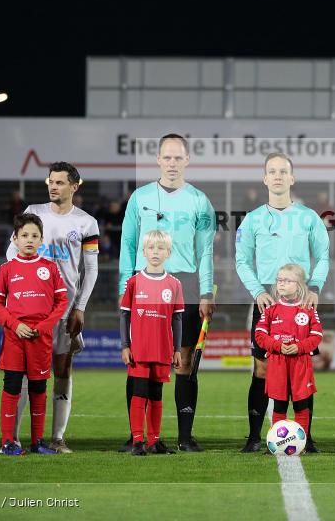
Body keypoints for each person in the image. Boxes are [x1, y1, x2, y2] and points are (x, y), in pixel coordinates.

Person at [119, 134, 215, 452]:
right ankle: (135, 436)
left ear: (187, 160)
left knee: (184, 360)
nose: (172, 163)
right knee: (139, 359)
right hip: (143, 283)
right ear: (158, 160)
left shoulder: (200, 201)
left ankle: (185, 437)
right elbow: (128, 244)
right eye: (167, 157)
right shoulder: (139, 197)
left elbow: (206, 251)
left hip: (183, 283)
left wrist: (205, 292)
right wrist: (124, 285)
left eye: (178, 158)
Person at [236, 152, 329, 453]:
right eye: (272, 171)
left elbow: (324, 256)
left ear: (292, 178)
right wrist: (257, 291)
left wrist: (314, 287)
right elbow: (241, 260)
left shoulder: (308, 217)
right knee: (261, 370)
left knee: (301, 369)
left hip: (301, 301)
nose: (277, 176)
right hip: (267, 299)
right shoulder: (252, 219)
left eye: (283, 171)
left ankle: (306, 436)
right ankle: (253, 437)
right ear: (264, 178)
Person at [6, 162, 100, 453]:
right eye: (51, 181)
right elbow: (12, 255)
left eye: (60, 182)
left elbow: (91, 269)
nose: (53, 186)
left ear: (74, 186)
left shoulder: (86, 222)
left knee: (62, 368)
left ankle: (57, 438)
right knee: (21, 372)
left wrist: (79, 308)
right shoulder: (33, 214)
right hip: (27, 309)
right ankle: (15, 439)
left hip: (63, 311)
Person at [0, 213, 69, 456]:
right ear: (15, 238)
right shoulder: (6, 269)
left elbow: (61, 301)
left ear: (41, 240)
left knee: (38, 388)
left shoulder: (50, 268)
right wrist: (15, 325)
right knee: (12, 386)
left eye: (35, 236)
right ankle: (7, 442)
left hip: (40, 338)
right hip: (15, 337)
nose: (29, 240)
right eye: (24, 235)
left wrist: (45, 325)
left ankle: (37, 442)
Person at [120, 230, 183, 456]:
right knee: (139, 394)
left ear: (168, 252)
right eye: (151, 248)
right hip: (139, 349)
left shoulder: (174, 284)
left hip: (162, 349)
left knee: (156, 395)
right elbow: (125, 315)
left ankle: (153, 441)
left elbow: (177, 319)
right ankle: (137, 440)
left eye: (161, 248)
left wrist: (177, 349)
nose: (156, 252)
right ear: (144, 251)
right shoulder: (134, 282)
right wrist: (125, 345)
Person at [254, 263, 322, 443]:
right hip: (277, 364)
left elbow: (316, 335)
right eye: (279, 280)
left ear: (299, 284)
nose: (281, 284)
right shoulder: (270, 310)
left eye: (287, 280)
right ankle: (278, 442)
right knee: (279, 404)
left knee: (301, 405)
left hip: (300, 364)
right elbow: (259, 335)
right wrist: (276, 345)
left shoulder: (308, 310)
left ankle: (303, 442)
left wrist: (300, 347)